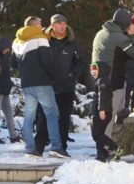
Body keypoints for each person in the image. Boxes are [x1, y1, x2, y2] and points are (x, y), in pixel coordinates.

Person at [38, 14, 95, 155]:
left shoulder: (72, 42)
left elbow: (82, 60)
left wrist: (72, 75)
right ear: (52, 26)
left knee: (64, 117)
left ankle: (61, 147)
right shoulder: (44, 41)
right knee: (44, 116)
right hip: (47, 86)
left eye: (64, 23)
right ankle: (38, 146)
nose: (62, 26)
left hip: (66, 86)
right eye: (58, 23)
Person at [13, 16, 67, 159]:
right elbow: (47, 61)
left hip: (26, 83)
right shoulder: (40, 38)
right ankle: (56, 147)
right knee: (52, 114)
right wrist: (54, 75)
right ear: (34, 26)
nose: (42, 26)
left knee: (29, 117)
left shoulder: (17, 42)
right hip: (42, 82)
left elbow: (13, 63)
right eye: (40, 24)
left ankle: (30, 149)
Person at [91, 9, 134, 160]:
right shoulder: (119, 37)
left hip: (99, 80)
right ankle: (107, 152)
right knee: (108, 119)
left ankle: (103, 152)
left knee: (102, 118)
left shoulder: (101, 33)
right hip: (114, 82)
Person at [0, 36, 19, 143]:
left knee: (9, 114)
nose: (8, 50)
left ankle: (13, 136)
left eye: (9, 48)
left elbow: (6, 75)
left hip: (5, 91)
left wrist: (9, 84)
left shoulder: (6, 57)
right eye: (6, 48)